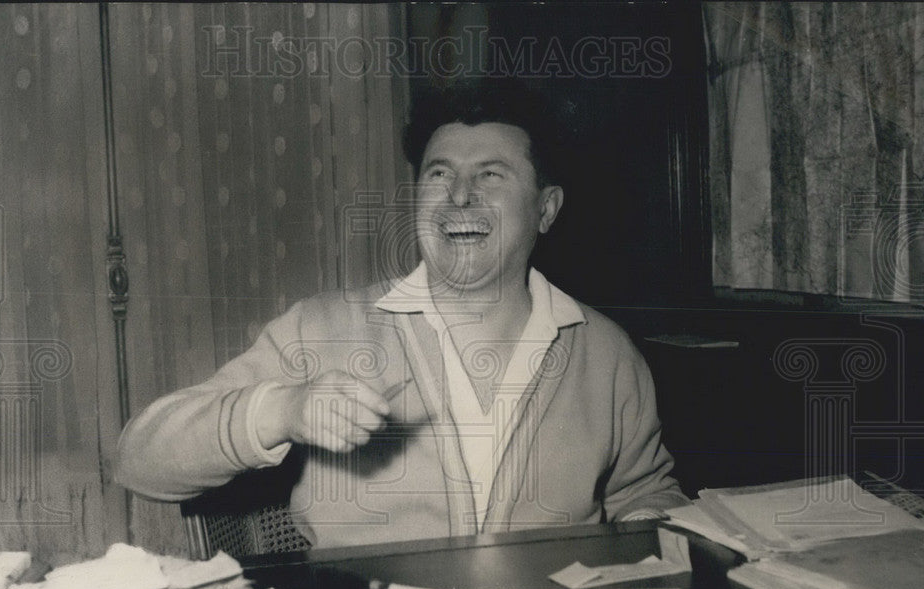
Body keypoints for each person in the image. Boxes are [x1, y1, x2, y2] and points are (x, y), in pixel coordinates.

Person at [115, 79, 688, 549]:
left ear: (545, 209)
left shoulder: (607, 352)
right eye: (439, 174)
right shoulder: (324, 328)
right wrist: (282, 409)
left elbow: (646, 500)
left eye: (490, 175)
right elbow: (138, 458)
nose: (459, 196)